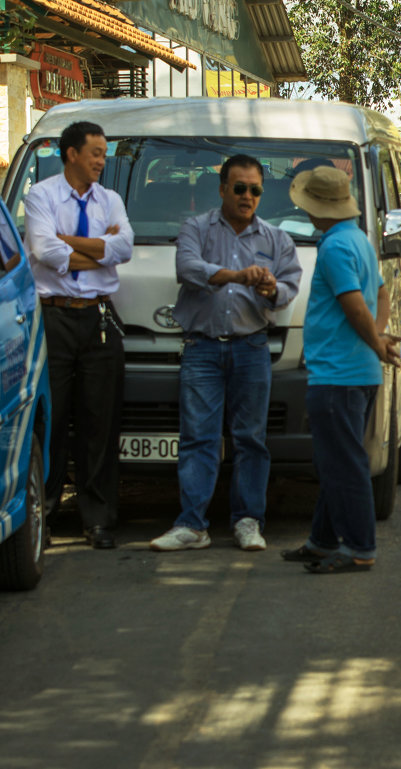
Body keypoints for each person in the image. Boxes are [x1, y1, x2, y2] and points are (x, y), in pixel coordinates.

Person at [150, 155, 302, 552]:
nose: (247, 196)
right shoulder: (196, 228)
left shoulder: (276, 238)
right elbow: (187, 268)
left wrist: (270, 289)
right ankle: (192, 526)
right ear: (222, 190)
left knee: (251, 440)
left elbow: (289, 288)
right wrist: (237, 276)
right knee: (198, 438)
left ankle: (248, 522)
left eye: (255, 190)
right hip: (201, 347)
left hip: (251, 347)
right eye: (240, 188)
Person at [279, 165, 399, 574]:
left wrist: (375, 342)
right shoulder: (359, 241)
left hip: (337, 373)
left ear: (317, 209)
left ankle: (360, 547)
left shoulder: (332, 248)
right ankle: (322, 540)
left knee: (344, 465)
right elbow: (380, 296)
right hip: (356, 371)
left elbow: (353, 307)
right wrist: (378, 339)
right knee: (336, 461)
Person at [23, 121, 133, 549]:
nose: (102, 161)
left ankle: (99, 519)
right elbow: (44, 252)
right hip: (53, 320)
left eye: (105, 154)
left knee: (98, 422)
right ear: (72, 154)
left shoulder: (111, 199)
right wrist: (96, 251)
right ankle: (44, 513)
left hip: (99, 320)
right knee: (51, 419)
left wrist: (69, 244)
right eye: (96, 153)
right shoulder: (41, 195)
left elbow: (125, 248)